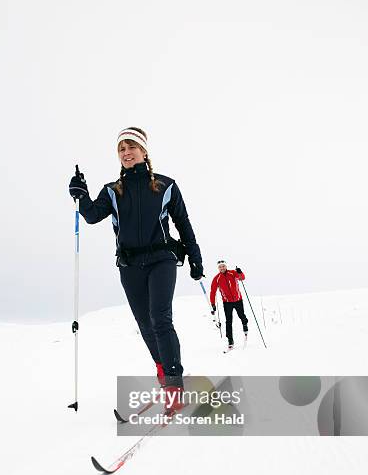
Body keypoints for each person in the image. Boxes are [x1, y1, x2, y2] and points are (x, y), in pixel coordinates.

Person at [68, 127, 203, 414]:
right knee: (145, 324)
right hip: (130, 265)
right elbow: (92, 216)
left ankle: (175, 385)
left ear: (144, 151)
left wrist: (195, 258)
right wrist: (81, 195)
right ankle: (163, 370)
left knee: (160, 318)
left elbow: (183, 222)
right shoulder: (113, 191)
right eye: (121, 149)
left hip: (162, 260)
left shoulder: (166, 186)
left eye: (131, 147)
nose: (126, 153)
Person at [210, 260, 248, 350]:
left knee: (241, 316)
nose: (222, 268)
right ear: (218, 268)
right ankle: (230, 340)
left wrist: (240, 272)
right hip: (227, 303)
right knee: (228, 321)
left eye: (223, 266)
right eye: (220, 267)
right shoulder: (217, 278)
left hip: (238, 300)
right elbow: (213, 292)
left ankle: (245, 324)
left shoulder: (233, 273)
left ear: (226, 266)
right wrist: (213, 304)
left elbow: (242, 278)